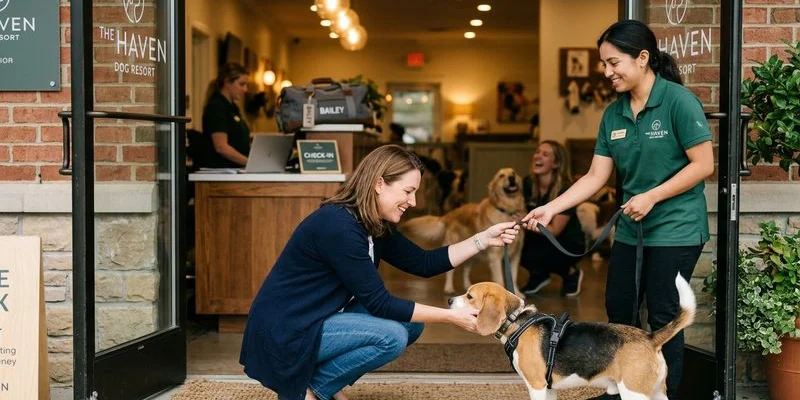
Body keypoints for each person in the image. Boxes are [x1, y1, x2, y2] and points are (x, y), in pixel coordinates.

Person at [521, 20, 714, 400]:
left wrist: (652, 196)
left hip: (676, 229)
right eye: (604, 65)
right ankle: (621, 390)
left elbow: (703, 164)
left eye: (614, 63)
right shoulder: (614, 114)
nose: (607, 72)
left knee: (662, 316)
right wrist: (550, 207)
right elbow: (596, 175)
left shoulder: (678, 101)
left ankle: (664, 393)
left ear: (643, 58)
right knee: (619, 311)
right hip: (631, 230)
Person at [240, 145, 520, 400]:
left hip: (318, 317)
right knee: (391, 336)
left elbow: (424, 263)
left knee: (411, 324)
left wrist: (483, 238)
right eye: (408, 191)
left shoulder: (373, 223)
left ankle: (319, 383)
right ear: (378, 184)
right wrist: (451, 317)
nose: (413, 202)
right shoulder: (338, 226)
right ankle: (311, 390)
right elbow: (380, 303)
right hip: (287, 330)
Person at [519, 140, 585, 297]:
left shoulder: (566, 188)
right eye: (537, 152)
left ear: (556, 164)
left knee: (539, 251)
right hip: (537, 236)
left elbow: (555, 230)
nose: (538, 156)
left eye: (545, 154)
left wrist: (525, 220)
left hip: (567, 242)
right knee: (513, 244)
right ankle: (539, 275)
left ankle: (570, 272)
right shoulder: (527, 183)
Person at [201, 62, 251, 168]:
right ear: (227, 81)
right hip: (221, 170)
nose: (245, 89)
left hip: (236, 169)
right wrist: (250, 163)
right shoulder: (216, 106)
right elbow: (221, 147)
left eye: (246, 85)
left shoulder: (233, 107)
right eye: (241, 84)